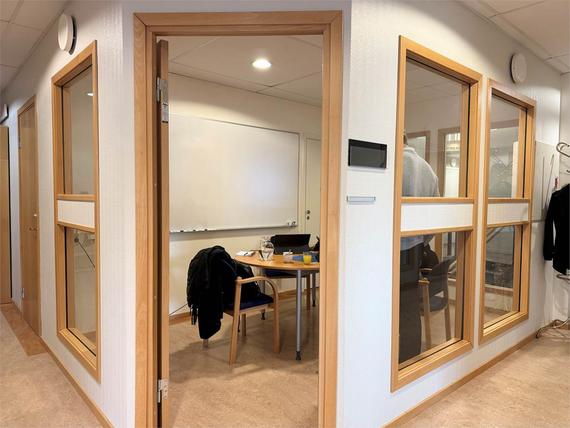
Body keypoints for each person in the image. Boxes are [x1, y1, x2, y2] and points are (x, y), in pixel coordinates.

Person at [399, 132, 439, 363]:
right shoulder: (428, 170)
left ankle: (386, 355)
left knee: (386, 301)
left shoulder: (393, 165)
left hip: (391, 247)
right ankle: (409, 353)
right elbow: (435, 215)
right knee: (409, 302)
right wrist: (422, 242)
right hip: (414, 249)